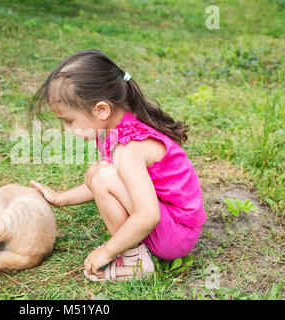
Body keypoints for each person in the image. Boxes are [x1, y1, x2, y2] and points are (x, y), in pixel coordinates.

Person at [28, 49, 206, 281]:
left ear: (101, 110)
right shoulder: (115, 130)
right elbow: (110, 183)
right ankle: (131, 243)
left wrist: (108, 250)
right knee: (97, 173)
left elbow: (149, 215)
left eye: (69, 121)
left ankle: (134, 262)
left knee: (101, 174)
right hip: (171, 226)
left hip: (176, 236)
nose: (67, 129)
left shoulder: (128, 146)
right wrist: (62, 198)